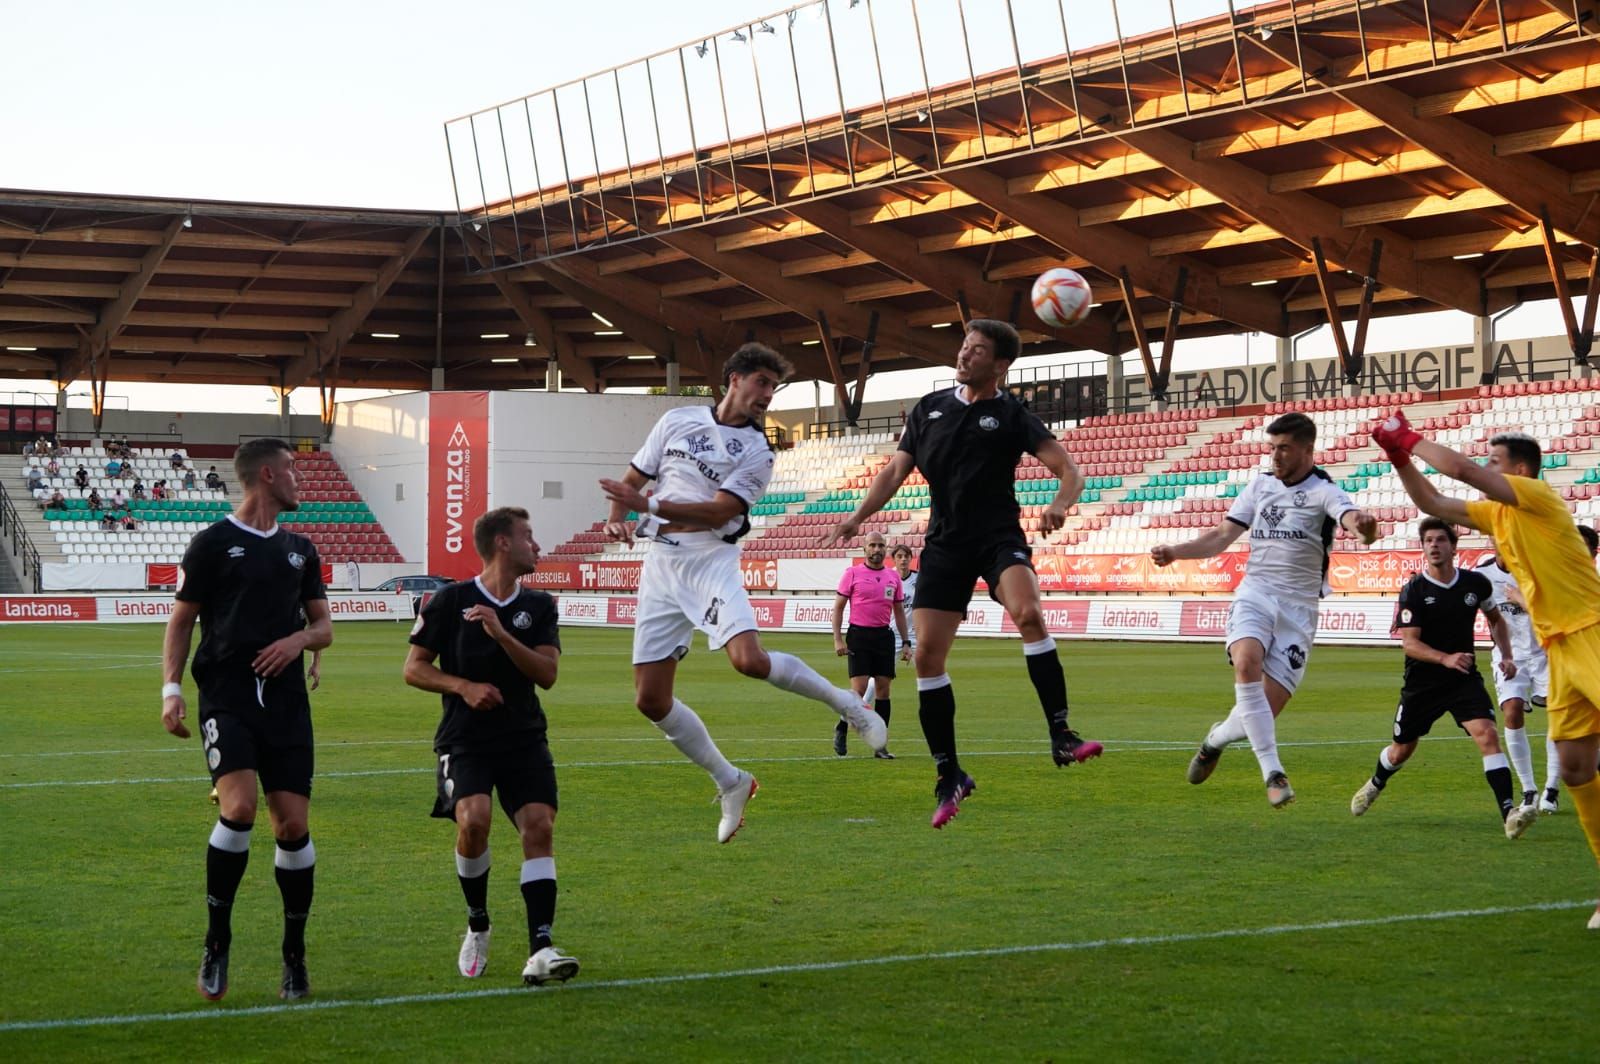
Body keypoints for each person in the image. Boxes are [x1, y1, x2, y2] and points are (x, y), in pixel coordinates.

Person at [820, 319, 1101, 830]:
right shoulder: (929, 408)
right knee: (927, 657)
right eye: (964, 347)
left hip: (999, 540)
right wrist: (858, 516)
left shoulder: (1013, 414)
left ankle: (1061, 732)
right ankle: (949, 773)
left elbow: (1070, 469)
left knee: (1029, 613)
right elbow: (893, 472)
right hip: (945, 545)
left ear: (1000, 365)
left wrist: (1061, 503)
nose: (965, 355)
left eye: (977, 351)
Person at [599, 343, 884, 844]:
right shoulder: (676, 421)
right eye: (760, 382)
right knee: (649, 699)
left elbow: (714, 512)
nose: (767, 395)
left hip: (710, 559)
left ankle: (847, 704)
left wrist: (643, 504)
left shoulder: (757, 452)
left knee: (748, 660)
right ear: (733, 378)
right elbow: (632, 478)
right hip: (662, 564)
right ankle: (731, 781)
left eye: (773, 388)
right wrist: (616, 521)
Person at [1375, 415, 1600, 928]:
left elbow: (1462, 471)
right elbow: (1433, 504)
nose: (1486, 467)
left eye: (1496, 461)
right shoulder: (1499, 517)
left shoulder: (1537, 497)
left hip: (1593, 632)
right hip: (1562, 650)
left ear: (1520, 470)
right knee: (1577, 768)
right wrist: (1398, 458)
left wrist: (1406, 434)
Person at [159, 437, 332, 1001]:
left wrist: (297, 641)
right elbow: (182, 621)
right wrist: (171, 689)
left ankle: (295, 956)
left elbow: (324, 628)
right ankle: (216, 942)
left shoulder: (301, 550)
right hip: (228, 695)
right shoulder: (211, 543)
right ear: (266, 475)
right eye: (291, 472)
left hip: (285, 705)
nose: (298, 482)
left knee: (293, 828)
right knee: (239, 808)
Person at [1154, 411, 1379, 808]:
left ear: (1308, 450)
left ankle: (1214, 739)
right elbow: (1223, 536)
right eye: (1272, 447)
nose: (1275, 456)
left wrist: (1363, 525)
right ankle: (1273, 773)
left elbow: (1349, 517)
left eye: (1285, 449)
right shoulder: (1259, 486)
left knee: (1256, 716)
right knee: (1246, 664)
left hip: (1299, 610)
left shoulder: (1324, 490)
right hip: (1255, 593)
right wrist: (1176, 552)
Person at [404, 507, 579, 987]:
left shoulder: (540, 605)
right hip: (465, 739)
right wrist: (463, 687)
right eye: (529, 536)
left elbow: (547, 674)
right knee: (474, 821)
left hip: (523, 737)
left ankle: (541, 948)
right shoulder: (449, 600)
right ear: (502, 543)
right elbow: (414, 668)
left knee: (539, 826)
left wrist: (502, 634)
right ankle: (478, 921)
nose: (537, 546)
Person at [1349, 518, 1535, 837]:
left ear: (1453, 546)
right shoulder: (1414, 590)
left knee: (1488, 735)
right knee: (1401, 750)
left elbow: (1496, 620)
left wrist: (1505, 654)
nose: (1434, 545)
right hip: (1423, 683)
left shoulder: (1475, 583)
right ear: (1423, 548)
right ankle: (1376, 782)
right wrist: (1444, 658)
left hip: (1462, 678)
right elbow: (1410, 643)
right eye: (1428, 541)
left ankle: (1509, 813)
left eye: (1440, 540)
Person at [1475, 541, 1558, 813]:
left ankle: (1552, 789)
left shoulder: (1540, 572)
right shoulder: (1483, 576)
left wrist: (1523, 600)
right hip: (1508, 656)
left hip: (1544, 654)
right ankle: (1529, 790)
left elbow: (1554, 614)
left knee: (1559, 717)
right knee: (1511, 712)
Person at [830, 532, 911, 759]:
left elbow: (899, 612)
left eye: (881, 545)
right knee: (859, 690)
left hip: (884, 637)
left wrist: (906, 642)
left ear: (886, 550)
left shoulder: (892, 578)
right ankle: (842, 728)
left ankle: (880, 745)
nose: (877, 549)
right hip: (859, 635)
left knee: (884, 691)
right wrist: (838, 638)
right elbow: (838, 607)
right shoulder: (852, 574)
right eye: (873, 545)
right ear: (865, 548)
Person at [890, 544, 918, 657]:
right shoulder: (887, 578)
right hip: (893, 634)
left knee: (928, 670)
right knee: (883, 673)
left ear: (911, 558)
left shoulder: (919, 578)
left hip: (916, 635)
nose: (903, 559)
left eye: (906, 556)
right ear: (893, 559)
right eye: (899, 556)